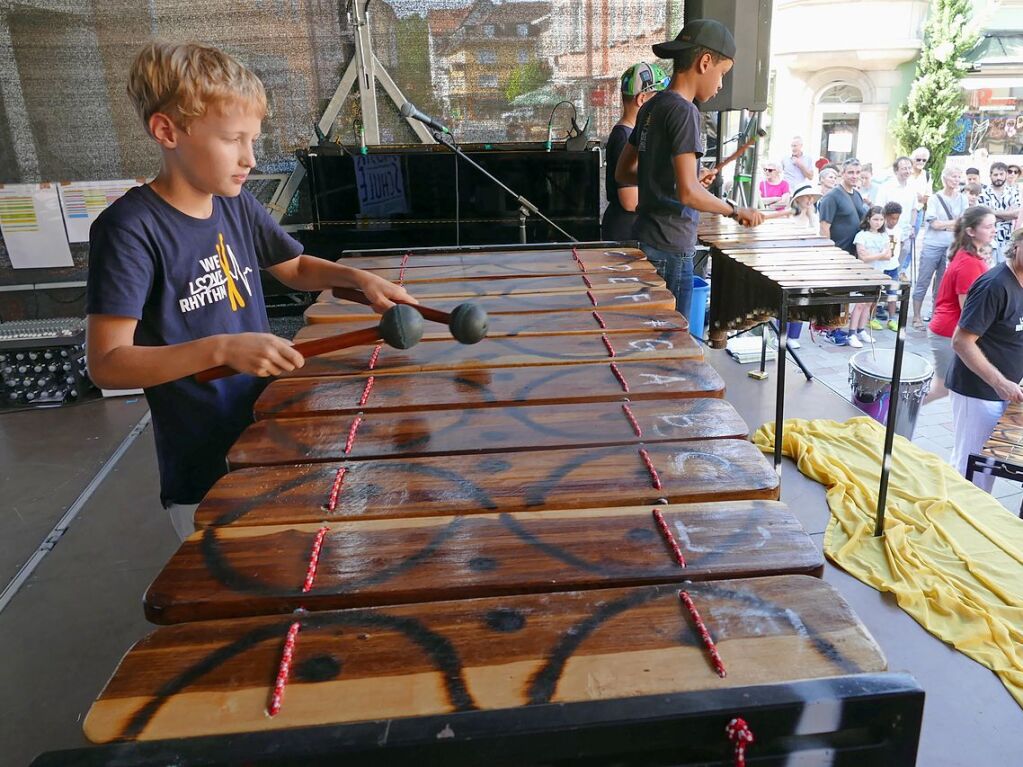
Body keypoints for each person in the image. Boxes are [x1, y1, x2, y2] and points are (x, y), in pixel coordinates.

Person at [85, 42, 415, 539]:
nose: (250, 158)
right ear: (166, 130)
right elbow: (107, 362)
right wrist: (221, 349)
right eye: (233, 139)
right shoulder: (130, 229)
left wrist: (358, 280)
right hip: (203, 459)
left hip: (266, 430)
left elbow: (295, 267)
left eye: (253, 139)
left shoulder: (234, 204)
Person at [616, 18, 763, 319]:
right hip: (671, 248)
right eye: (723, 73)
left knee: (649, 336)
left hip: (646, 239)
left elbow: (624, 173)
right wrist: (735, 210)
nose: (721, 85)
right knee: (671, 345)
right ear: (705, 61)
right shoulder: (685, 112)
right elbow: (687, 194)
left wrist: (683, 181)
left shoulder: (652, 107)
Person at [947, 227, 1023, 492]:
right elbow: (961, 341)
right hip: (977, 391)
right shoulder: (995, 285)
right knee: (972, 469)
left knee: (989, 467)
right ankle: (957, 524)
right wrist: (1000, 382)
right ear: (1016, 245)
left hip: (1006, 390)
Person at [924, 206, 994, 405]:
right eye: (988, 227)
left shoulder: (971, 256)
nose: (993, 230)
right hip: (948, 331)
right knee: (942, 389)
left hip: (948, 330)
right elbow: (969, 309)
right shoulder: (969, 263)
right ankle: (894, 412)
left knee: (948, 388)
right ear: (971, 231)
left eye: (993, 226)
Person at [601, 62, 669, 242]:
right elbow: (630, 201)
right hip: (625, 233)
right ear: (642, 99)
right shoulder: (624, 138)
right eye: (658, 99)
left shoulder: (632, 133)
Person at [912, 166, 965, 330]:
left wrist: (947, 225)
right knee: (923, 280)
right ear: (945, 178)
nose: (956, 180)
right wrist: (952, 223)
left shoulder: (962, 198)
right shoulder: (935, 198)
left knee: (942, 284)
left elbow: (963, 222)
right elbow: (934, 224)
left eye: (958, 177)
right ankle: (916, 316)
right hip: (932, 245)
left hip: (951, 246)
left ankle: (936, 315)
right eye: (953, 176)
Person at [850, 206, 895, 347]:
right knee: (860, 303)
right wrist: (880, 254)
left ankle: (861, 329)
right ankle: (851, 333)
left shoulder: (884, 235)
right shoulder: (861, 235)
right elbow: (863, 257)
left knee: (870, 302)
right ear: (868, 219)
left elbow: (888, 255)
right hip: (864, 273)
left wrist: (875, 255)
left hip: (878, 273)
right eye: (875, 219)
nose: (878, 222)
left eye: (881, 219)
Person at [876, 156, 917, 279]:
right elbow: (879, 209)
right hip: (888, 233)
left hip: (905, 232)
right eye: (904, 168)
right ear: (896, 170)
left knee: (898, 265)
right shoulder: (886, 187)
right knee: (885, 264)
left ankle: (893, 289)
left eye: (909, 168)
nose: (908, 171)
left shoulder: (912, 187)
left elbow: (914, 209)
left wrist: (913, 227)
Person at [871, 201, 905, 329]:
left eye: (897, 218)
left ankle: (892, 319)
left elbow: (900, 246)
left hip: (893, 266)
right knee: (876, 294)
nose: (894, 221)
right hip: (880, 267)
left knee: (893, 294)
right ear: (885, 217)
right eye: (891, 218)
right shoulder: (880, 231)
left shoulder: (899, 230)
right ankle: (872, 318)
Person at [978, 162, 1021, 263]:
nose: (999, 177)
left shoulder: (1013, 192)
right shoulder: (983, 193)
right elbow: (982, 216)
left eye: (1001, 174)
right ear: (990, 176)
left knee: (1005, 271)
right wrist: (1007, 215)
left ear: (1006, 175)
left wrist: (993, 212)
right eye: (995, 175)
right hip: (987, 240)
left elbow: (1016, 214)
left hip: (1007, 239)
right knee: (988, 271)